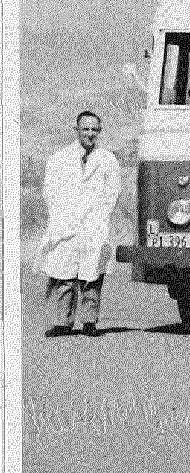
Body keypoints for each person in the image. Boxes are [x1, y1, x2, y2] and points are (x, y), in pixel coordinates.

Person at [36, 111, 122, 339]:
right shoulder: (60, 158)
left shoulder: (107, 160)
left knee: (92, 275)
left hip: (94, 224)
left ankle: (89, 322)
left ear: (99, 132)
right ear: (77, 131)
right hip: (67, 222)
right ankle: (63, 323)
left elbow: (113, 192)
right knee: (64, 275)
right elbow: (50, 190)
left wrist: (100, 215)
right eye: (86, 129)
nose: (90, 134)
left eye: (95, 129)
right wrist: (61, 217)